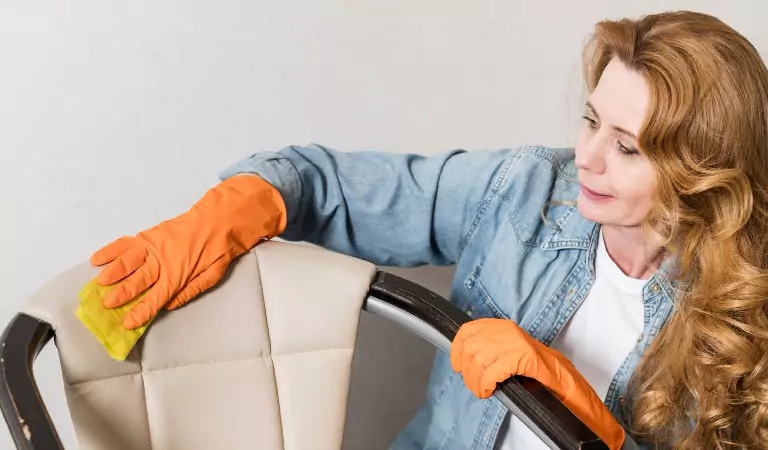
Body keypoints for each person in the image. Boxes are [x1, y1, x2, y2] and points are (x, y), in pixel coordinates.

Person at [87, 10, 768, 449]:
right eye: (591, 121)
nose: (586, 158)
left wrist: (588, 420)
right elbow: (322, 184)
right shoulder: (525, 190)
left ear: (701, 168)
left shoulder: (744, 311)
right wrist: (229, 215)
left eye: (628, 146)